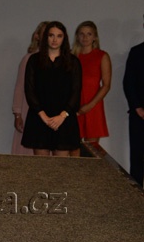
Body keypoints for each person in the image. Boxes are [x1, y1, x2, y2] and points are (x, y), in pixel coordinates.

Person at [20, 21, 82, 157]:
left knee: (61, 167)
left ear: (64, 38)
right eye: (51, 35)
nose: (55, 40)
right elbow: (29, 90)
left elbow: (76, 92)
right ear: (45, 37)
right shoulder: (34, 60)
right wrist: (43, 116)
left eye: (59, 36)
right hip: (40, 118)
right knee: (42, 167)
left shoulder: (73, 62)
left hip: (64, 119)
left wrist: (62, 116)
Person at [72, 21, 111, 148]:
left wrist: (89, 106)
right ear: (77, 36)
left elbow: (106, 85)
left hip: (93, 106)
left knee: (92, 150)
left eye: (89, 34)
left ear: (95, 37)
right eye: (82, 34)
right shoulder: (71, 57)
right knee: (72, 148)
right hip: (73, 105)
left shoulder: (102, 56)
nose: (85, 37)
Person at [12, 22, 48, 155]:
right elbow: (20, 87)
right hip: (30, 110)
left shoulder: (60, 60)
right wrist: (18, 113)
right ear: (37, 36)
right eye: (46, 34)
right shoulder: (29, 59)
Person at [123, 14, 144, 186]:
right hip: (139, 115)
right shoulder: (136, 52)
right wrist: (137, 107)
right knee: (137, 158)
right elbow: (128, 82)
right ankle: (137, 197)